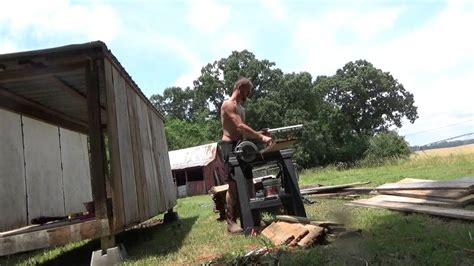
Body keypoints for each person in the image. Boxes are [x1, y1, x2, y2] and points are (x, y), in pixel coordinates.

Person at [219, 77, 273, 234]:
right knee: (233, 185)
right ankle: (231, 222)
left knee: (249, 182)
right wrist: (261, 137)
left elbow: (244, 132)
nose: (248, 95)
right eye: (247, 91)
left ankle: (253, 217)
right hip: (229, 146)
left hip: (243, 147)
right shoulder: (228, 104)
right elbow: (240, 127)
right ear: (240, 87)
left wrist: (261, 133)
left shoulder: (241, 108)